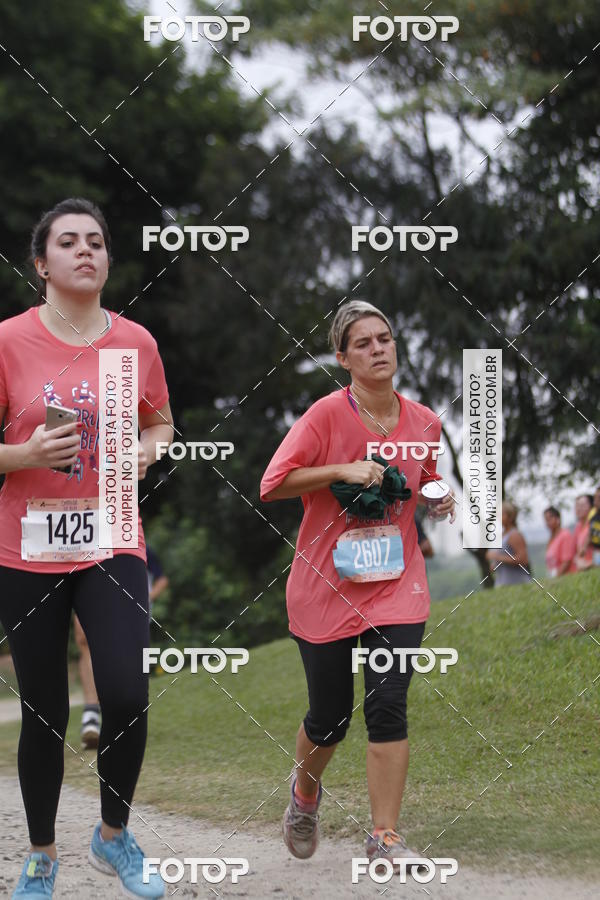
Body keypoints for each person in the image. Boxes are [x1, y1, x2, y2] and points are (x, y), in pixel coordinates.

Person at [0, 198, 174, 899]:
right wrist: (25, 453)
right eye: (68, 242)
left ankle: (112, 835)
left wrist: (147, 450)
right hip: (27, 547)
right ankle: (42, 855)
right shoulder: (8, 341)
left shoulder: (136, 342)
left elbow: (162, 425)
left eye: (96, 242)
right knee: (45, 710)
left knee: (126, 691)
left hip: (112, 535)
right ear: (41, 263)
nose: (85, 251)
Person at [260, 300, 455, 867]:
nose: (378, 349)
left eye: (384, 338)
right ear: (343, 359)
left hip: (397, 584)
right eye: (363, 343)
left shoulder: (425, 421)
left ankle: (384, 836)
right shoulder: (325, 415)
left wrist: (439, 497)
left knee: (388, 704)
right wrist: (340, 470)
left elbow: (426, 478)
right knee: (330, 719)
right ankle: (304, 794)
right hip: (326, 586)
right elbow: (273, 483)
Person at [486, 502, 532, 586]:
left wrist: (497, 557)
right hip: (502, 585)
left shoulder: (514, 535)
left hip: (518, 584)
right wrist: (494, 565)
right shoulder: (501, 536)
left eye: (502, 514)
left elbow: (523, 560)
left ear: (510, 517)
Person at [544, 506, 576, 577]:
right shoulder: (552, 538)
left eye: (549, 519)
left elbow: (566, 561)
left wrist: (556, 577)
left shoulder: (565, 535)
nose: (547, 523)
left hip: (565, 577)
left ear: (557, 519)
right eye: (546, 520)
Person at [573, 494, 594, 571]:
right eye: (577, 505)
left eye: (582, 505)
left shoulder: (595, 524)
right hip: (582, 567)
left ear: (591, 507)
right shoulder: (578, 527)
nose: (578, 508)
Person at [585, 487, 600, 566]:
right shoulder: (593, 516)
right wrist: (584, 547)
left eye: (599, 498)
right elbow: (590, 533)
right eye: (595, 498)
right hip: (596, 553)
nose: (595, 502)